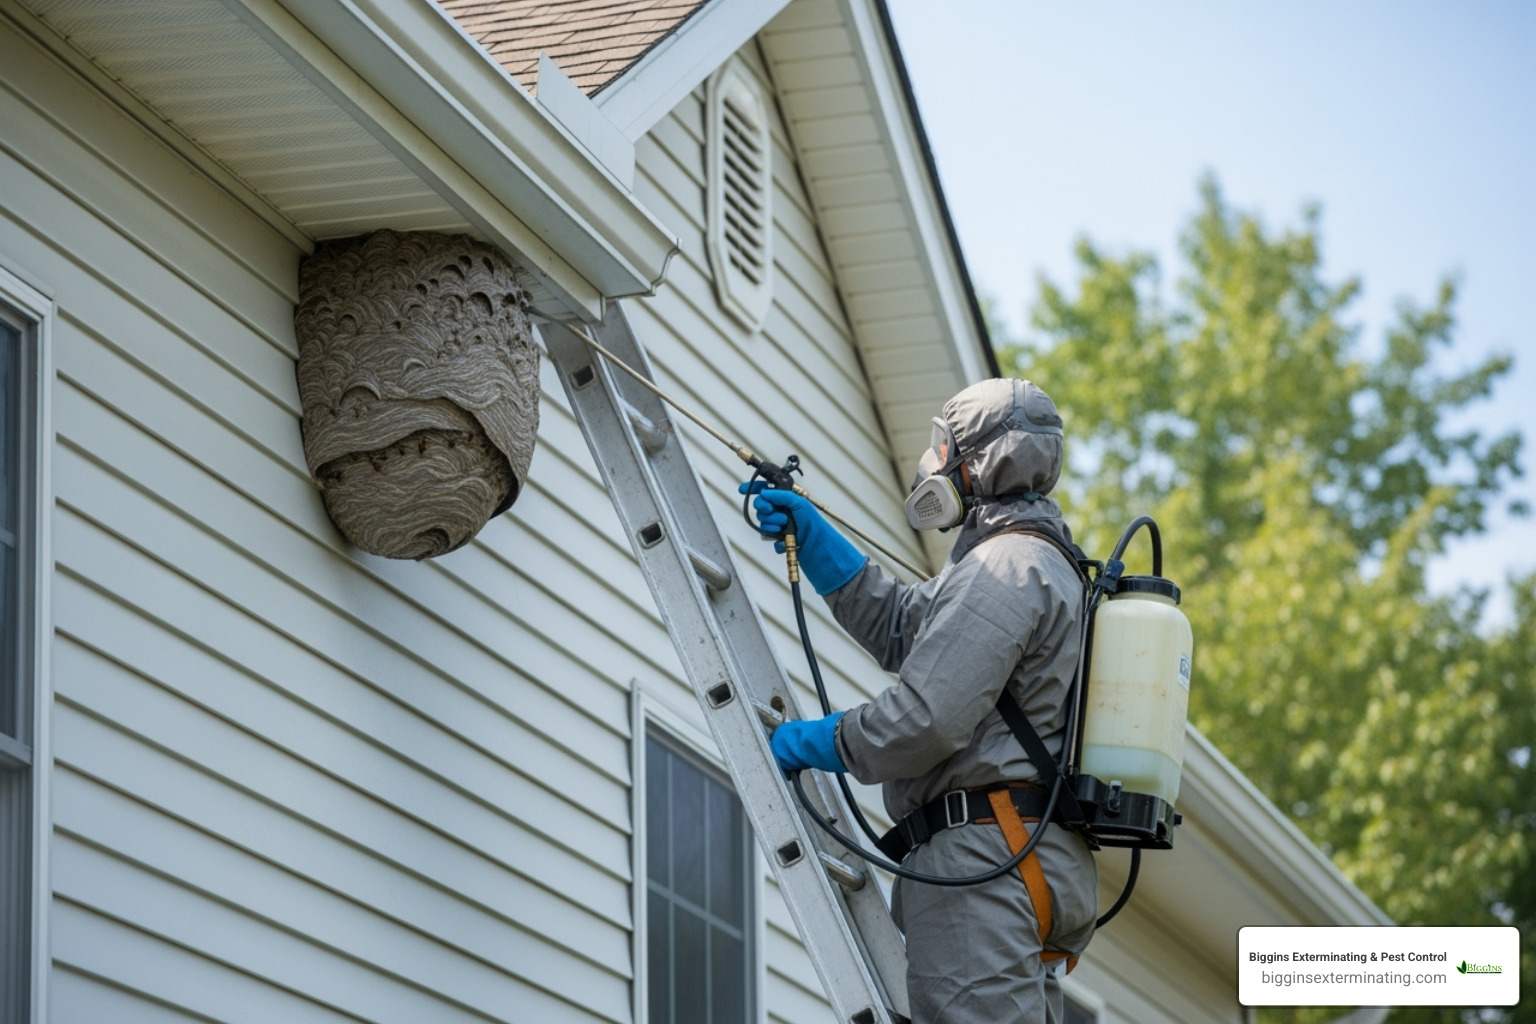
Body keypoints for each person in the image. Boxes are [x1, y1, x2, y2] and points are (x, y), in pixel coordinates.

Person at [742, 378, 1098, 1024]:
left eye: (947, 446)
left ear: (978, 462)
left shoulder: (1007, 569)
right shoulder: (1019, 562)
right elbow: (906, 625)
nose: (934, 463)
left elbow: (925, 720)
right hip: (1016, 858)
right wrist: (814, 536)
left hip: (984, 866)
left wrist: (820, 741)